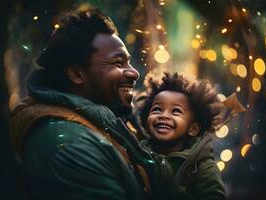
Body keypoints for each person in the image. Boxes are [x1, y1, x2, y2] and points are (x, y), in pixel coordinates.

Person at [10, 8, 157, 200]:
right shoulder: (69, 146)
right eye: (118, 63)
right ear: (76, 74)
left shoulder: (95, 125)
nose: (134, 72)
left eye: (128, 62)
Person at [137, 72, 227, 200]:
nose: (164, 115)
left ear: (193, 129)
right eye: (157, 109)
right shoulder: (137, 153)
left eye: (176, 111)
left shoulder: (201, 166)